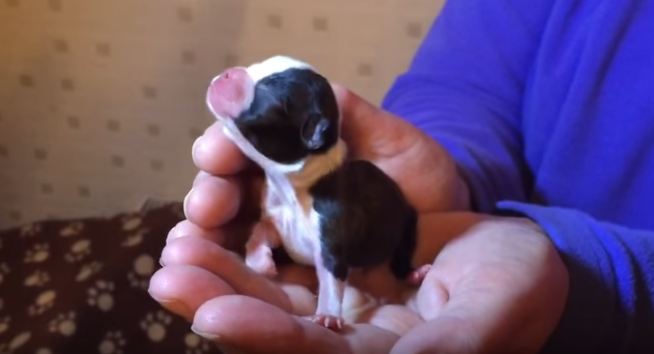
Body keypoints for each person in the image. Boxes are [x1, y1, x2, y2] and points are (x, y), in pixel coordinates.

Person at [149, 0, 654, 352]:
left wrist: (598, 282)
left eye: (265, 91)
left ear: (310, 132)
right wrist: (456, 180)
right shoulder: (285, 190)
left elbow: (332, 260)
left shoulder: (331, 209)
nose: (237, 81)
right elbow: (468, 83)